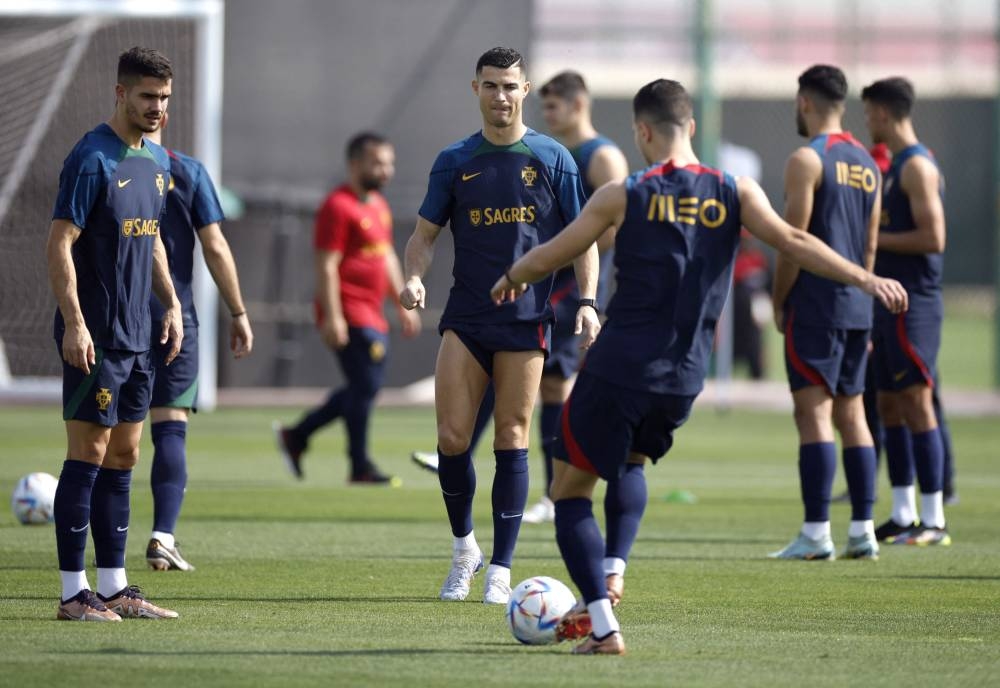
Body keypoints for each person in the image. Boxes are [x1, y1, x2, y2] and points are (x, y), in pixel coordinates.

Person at [490, 78, 907, 654]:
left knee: (569, 491)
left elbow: (555, 252)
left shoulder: (624, 193)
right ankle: (614, 567)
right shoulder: (736, 191)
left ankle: (605, 625)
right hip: (684, 376)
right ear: (689, 126)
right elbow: (792, 239)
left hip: (618, 367)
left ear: (642, 131)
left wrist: (511, 278)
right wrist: (867, 277)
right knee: (631, 461)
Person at [398, 47, 600, 605]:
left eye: (510, 86)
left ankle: (502, 569)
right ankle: (465, 549)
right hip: (466, 318)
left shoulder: (554, 157)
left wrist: (587, 301)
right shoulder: (455, 160)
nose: (501, 96)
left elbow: (584, 238)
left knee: (512, 437)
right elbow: (423, 236)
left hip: (528, 319)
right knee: (451, 439)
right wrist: (413, 277)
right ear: (476, 89)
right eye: (491, 86)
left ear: (525, 90)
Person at [45, 46, 183, 621]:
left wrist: (171, 303)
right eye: (148, 97)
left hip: (138, 335)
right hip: (96, 336)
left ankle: (116, 586)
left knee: (126, 455)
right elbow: (59, 243)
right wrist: (75, 324)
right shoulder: (91, 158)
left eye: (166, 99)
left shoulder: (155, 162)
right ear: (121, 93)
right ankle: (73, 593)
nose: (158, 108)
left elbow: (149, 238)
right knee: (90, 452)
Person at [768, 65, 882, 561]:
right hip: (859, 306)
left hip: (815, 303)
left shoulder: (806, 160)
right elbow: (871, 249)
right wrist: (866, 298)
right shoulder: (868, 163)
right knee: (853, 414)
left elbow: (793, 242)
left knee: (812, 413)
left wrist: (777, 298)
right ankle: (863, 529)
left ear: (804, 102)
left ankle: (816, 533)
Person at [274, 133, 420, 485]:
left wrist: (402, 301)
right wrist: (334, 315)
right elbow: (326, 265)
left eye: (389, 163)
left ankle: (299, 435)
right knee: (366, 384)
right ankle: (359, 465)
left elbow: (384, 256)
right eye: (378, 163)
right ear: (355, 164)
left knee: (363, 386)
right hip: (349, 311)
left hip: (372, 312)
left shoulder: (378, 205)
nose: (386, 170)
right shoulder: (337, 206)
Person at [143, 111, 254, 572]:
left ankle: (96, 548)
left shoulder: (101, 163)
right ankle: (162, 534)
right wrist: (239, 312)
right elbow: (215, 245)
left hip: (115, 315)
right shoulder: (186, 171)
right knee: (170, 424)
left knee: (110, 436)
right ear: (165, 113)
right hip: (176, 319)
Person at [862, 77, 950, 545]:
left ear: (884, 113)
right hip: (890, 301)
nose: (867, 121)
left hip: (916, 301)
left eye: (869, 112)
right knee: (889, 403)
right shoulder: (894, 165)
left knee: (916, 401)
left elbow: (934, 238)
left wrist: (871, 245)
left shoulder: (916, 165)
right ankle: (903, 511)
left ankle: (934, 518)